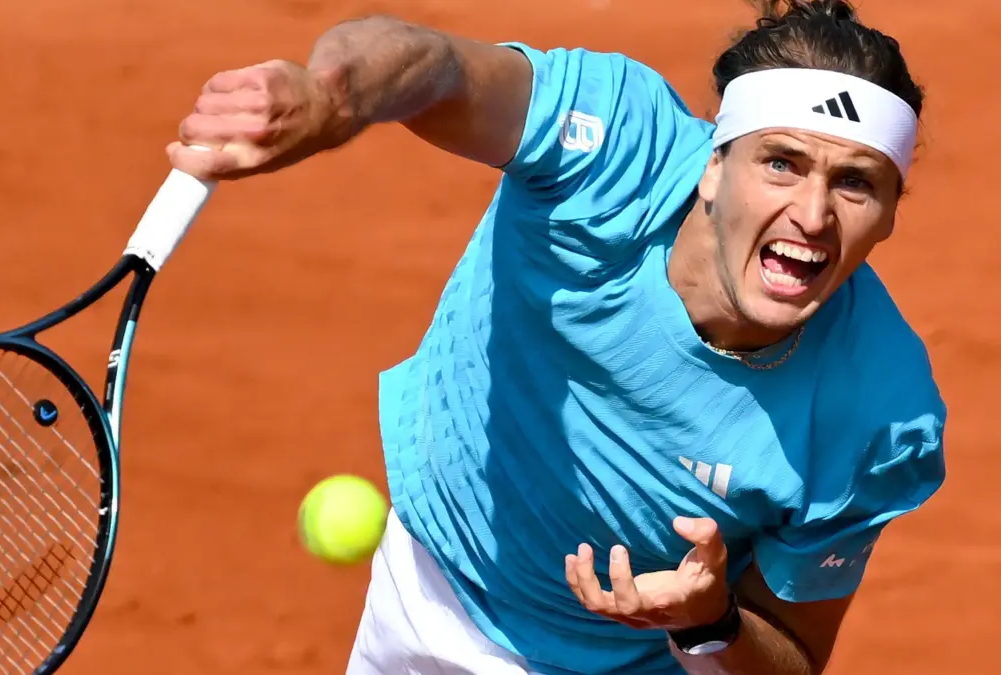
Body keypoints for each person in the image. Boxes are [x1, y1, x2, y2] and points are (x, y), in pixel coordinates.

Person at [169, 1, 947, 673]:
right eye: (781, 163)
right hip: (424, 579)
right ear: (714, 166)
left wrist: (711, 622)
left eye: (855, 182)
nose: (813, 216)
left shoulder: (882, 415)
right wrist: (328, 96)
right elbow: (437, 66)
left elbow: (788, 657)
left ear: (890, 214)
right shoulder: (612, 148)